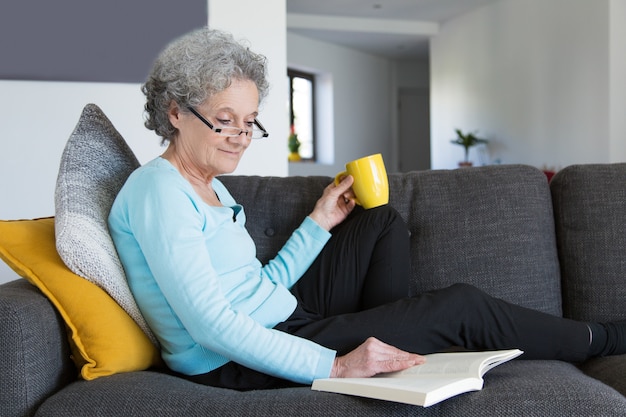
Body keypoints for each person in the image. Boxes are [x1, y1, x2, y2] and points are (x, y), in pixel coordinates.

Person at [108, 27, 625, 391]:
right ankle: (601, 337)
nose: (241, 137)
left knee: (377, 220)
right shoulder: (158, 192)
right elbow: (212, 327)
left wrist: (319, 222)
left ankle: (389, 342)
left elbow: (258, 285)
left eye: (250, 122)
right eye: (225, 120)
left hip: (278, 317)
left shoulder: (213, 188)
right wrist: (334, 367)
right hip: (234, 359)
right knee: (462, 306)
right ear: (175, 111)